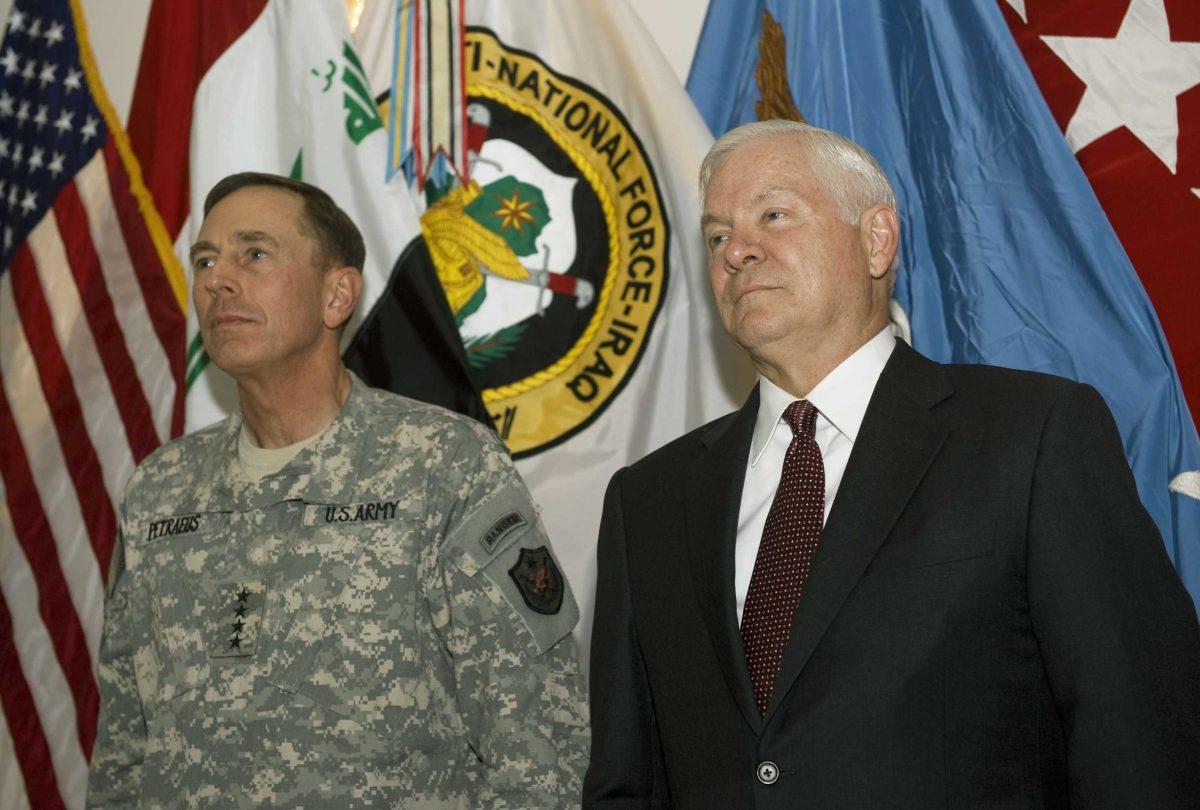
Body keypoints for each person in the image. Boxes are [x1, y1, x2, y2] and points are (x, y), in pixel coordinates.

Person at [584, 120, 1200, 808]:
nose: (738, 252)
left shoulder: (1030, 436)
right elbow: (626, 781)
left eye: (774, 215)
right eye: (718, 235)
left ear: (877, 239)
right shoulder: (650, 500)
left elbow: (1141, 736)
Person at [88, 173, 589, 808]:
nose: (218, 279)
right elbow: (124, 748)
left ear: (337, 296)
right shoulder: (159, 491)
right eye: (206, 259)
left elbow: (538, 741)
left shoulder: (442, 463)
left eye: (255, 254)